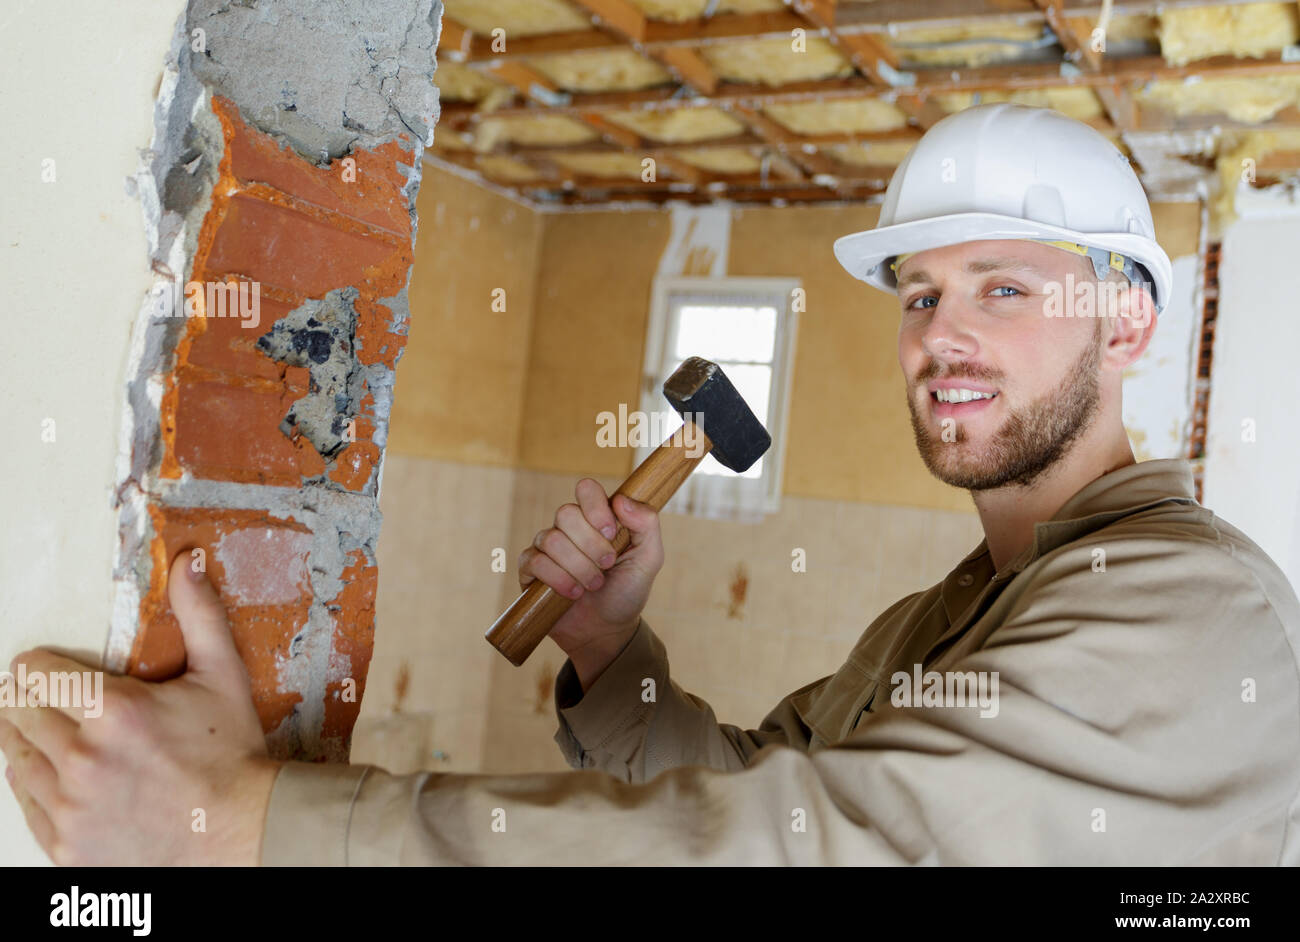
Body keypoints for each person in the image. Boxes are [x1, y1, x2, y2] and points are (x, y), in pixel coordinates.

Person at [3, 104, 1298, 865]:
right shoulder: (946, 616)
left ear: (1124, 324)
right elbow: (753, 779)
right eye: (921, 295)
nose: (940, 339)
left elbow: (800, 848)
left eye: (1003, 290)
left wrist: (250, 822)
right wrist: (611, 651)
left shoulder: (1186, 606)